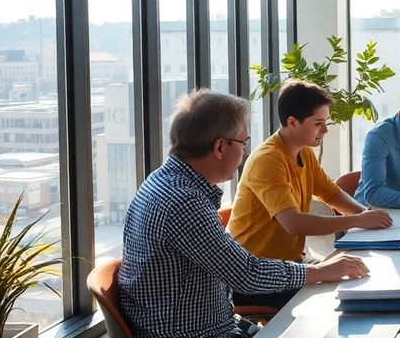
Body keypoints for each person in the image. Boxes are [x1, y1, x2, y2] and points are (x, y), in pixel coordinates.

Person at [119, 89, 369, 338]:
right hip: (196, 332)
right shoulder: (184, 202)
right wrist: (322, 270)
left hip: (216, 319)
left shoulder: (163, 181)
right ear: (220, 146)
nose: (245, 152)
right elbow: (246, 273)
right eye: (243, 143)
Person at [227, 81, 392, 309]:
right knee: (332, 299)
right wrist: (358, 220)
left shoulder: (303, 151)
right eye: (318, 123)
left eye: (326, 122)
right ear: (293, 123)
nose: (325, 130)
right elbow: (294, 224)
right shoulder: (268, 159)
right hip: (254, 274)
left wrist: (367, 215)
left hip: (289, 264)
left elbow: (330, 193)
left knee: (359, 273)